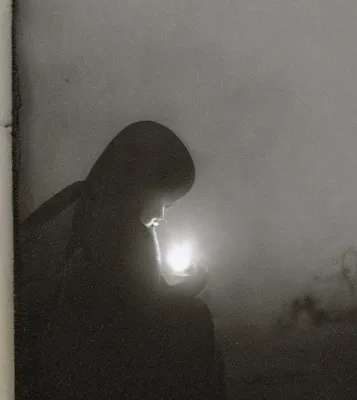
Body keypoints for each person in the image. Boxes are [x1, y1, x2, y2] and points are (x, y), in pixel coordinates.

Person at [15, 121, 227, 399]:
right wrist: (189, 287)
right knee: (197, 319)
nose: (163, 215)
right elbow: (136, 310)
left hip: (81, 344)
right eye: (164, 202)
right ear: (142, 184)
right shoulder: (120, 230)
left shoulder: (87, 203)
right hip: (97, 354)